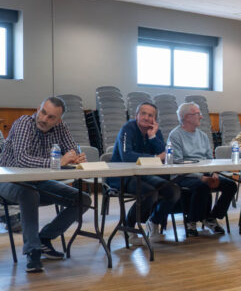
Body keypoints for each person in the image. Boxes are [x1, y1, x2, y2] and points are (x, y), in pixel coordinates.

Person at [0, 97, 90, 272]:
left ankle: (44, 239)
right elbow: (22, 160)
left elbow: (72, 151)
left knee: (82, 199)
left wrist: (77, 157)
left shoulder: (61, 128)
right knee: (29, 193)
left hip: (38, 181)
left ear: (58, 120)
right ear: (38, 109)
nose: (44, 119)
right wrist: (58, 162)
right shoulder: (24, 123)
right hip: (7, 181)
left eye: (51, 117)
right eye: (43, 113)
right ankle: (32, 251)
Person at [109, 102, 180, 243]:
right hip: (123, 176)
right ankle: (128, 227)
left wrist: (153, 137)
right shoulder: (127, 129)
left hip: (145, 175)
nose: (146, 117)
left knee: (173, 190)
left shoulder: (155, 131)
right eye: (143, 113)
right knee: (150, 193)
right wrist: (155, 158)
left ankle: (153, 221)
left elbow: (164, 154)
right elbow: (127, 156)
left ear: (155, 119)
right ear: (136, 115)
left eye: (150, 115)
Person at [168, 102, 238, 236]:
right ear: (187, 117)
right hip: (183, 175)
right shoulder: (175, 135)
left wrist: (214, 173)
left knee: (231, 185)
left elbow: (209, 159)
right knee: (202, 186)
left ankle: (211, 217)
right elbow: (177, 163)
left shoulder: (203, 136)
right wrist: (201, 177)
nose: (201, 116)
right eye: (197, 114)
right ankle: (191, 221)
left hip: (204, 173)